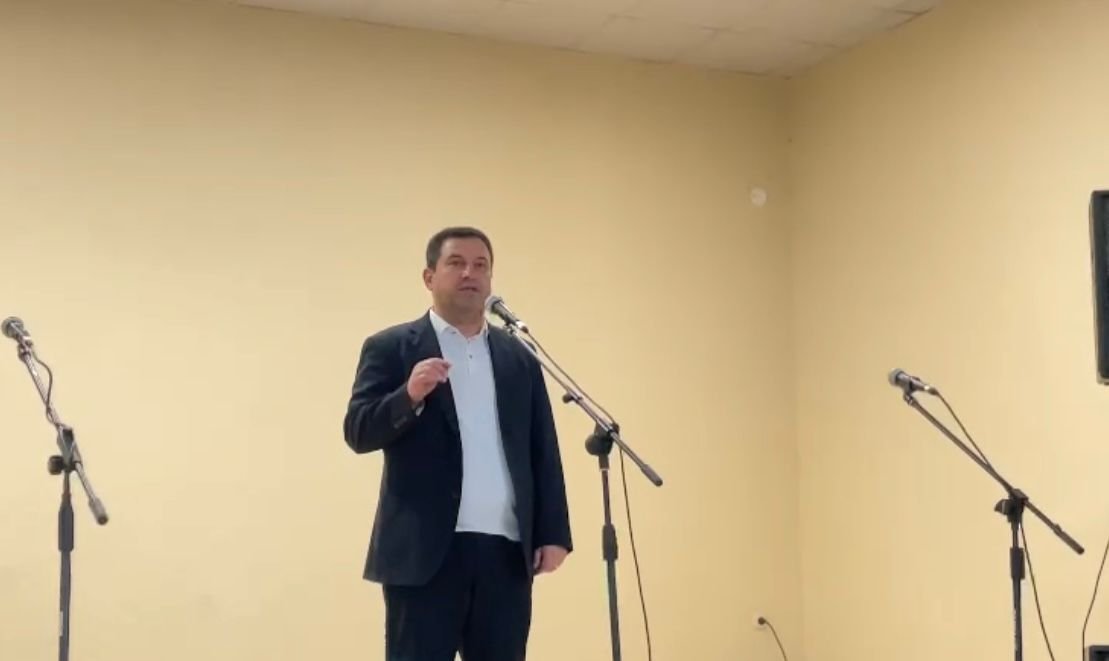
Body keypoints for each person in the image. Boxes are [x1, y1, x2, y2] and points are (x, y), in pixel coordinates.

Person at [343, 226, 573, 661]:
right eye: (456, 263)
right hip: (424, 555)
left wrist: (553, 532)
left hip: (505, 551)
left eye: (480, 265)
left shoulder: (519, 357)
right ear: (429, 277)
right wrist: (408, 395)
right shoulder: (391, 347)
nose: (470, 273)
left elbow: (542, 447)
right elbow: (358, 430)